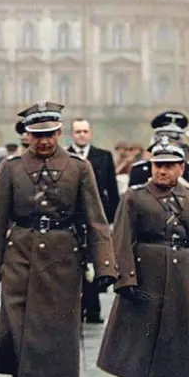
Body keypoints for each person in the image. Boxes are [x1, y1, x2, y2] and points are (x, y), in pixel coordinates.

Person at [0, 101, 116, 377]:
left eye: (50, 134)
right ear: (27, 135)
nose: (44, 141)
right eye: (37, 135)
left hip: (62, 259)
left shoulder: (79, 169)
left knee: (60, 338)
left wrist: (105, 266)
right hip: (20, 257)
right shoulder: (10, 169)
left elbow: (96, 220)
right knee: (18, 332)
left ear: (59, 132)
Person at [97, 137, 189, 377]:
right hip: (147, 270)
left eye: (169, 166)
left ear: (182, 168)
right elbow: (122, 239)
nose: (162, 171)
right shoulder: (135, 197)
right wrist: (126, 278)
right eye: (157, 165)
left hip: (182, 273)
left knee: (179, 334)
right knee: (141, 334)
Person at [67, 118, 120, 324]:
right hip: (73, 217)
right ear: (72, 134)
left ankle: (94, 309)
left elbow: (112, 189)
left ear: (90, 133)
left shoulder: (103, 156)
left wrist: (113, 220)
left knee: (96, 262)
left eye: (85, 131)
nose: (82, 135)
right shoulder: (65, 157)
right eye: (78, 131)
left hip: (97, 217)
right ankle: (76, 308)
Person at [129, 111, 189, 189]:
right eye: (163, 137)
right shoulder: (140, 169)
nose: (168, 142)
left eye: (175, 138)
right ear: (155, 140)